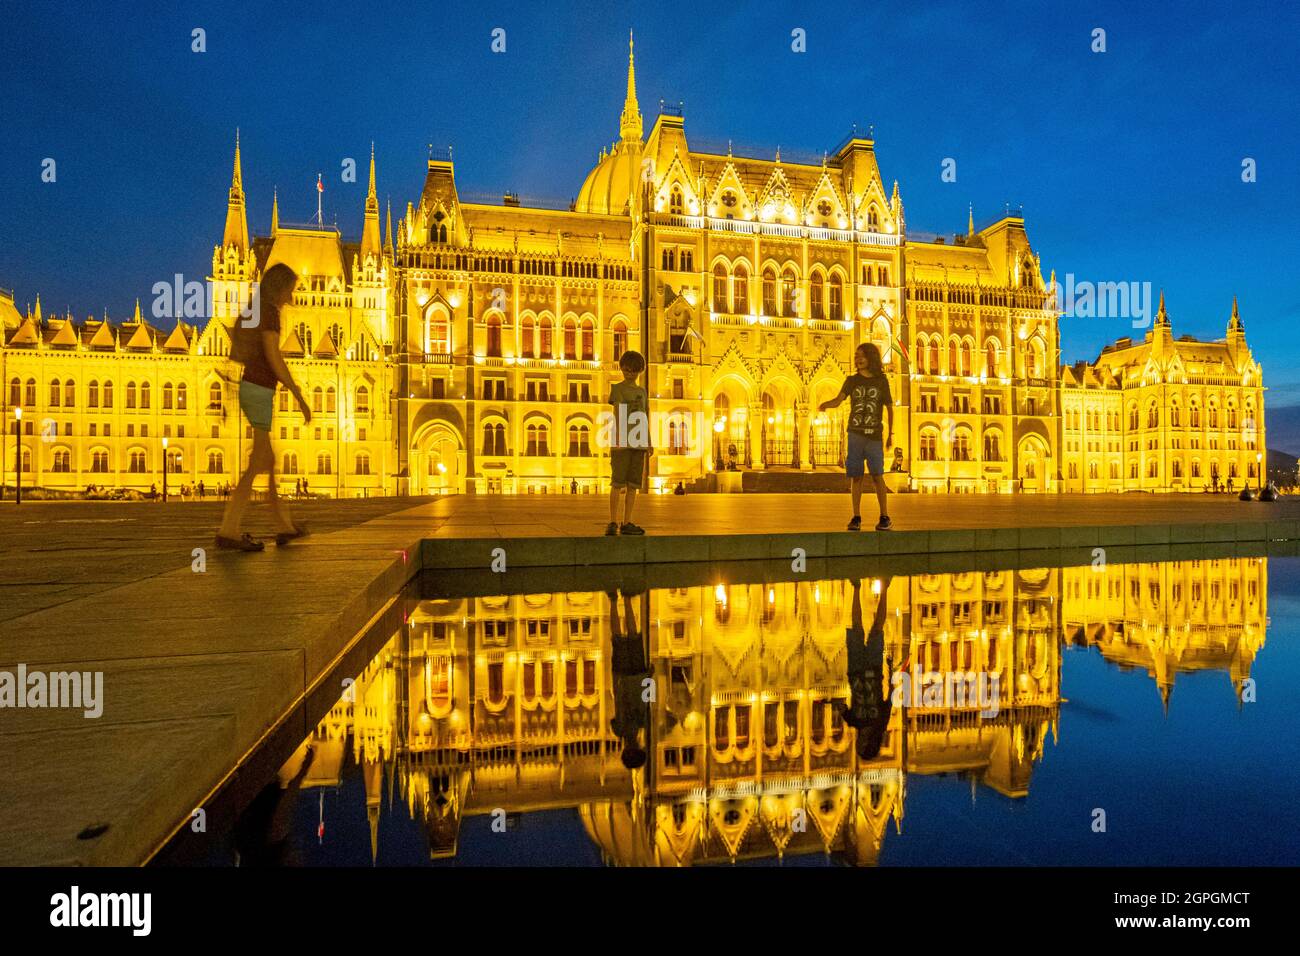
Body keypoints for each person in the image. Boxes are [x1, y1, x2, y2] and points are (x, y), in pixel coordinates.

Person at [216, 263, 311, 551]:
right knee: (258, 462)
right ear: (279, 288)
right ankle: (228, 530)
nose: (291, 296)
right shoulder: (269, 313)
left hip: (252, 389)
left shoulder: (254, 310)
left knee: (267, 461)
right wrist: (298, 394)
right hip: (259, 390)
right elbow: (273, 356)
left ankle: (283, 526)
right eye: (290, 290)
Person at [819, 342, 893, 531]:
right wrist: (825, 404)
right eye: (855, 356)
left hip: (874, 435)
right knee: (856, 477)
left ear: (871, 357)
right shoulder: (851, 381)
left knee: (878, 475)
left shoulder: (881, 381)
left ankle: (884, 516)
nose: (857, 359)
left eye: (861, 355)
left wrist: (890, 434)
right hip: (855, 434)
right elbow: (839, 399)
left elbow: (889, 408)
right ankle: (856, 516)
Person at [836, 577, 894, 761]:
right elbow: (890, 697)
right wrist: (891, 669)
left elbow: (841, 706)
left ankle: (856, 587)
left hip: (855, 670)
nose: (858, 743)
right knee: (877, 628)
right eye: (861, 746)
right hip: (874, 669)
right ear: (870, 743)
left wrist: (836, 705)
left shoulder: (854, 722)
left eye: (858, 746)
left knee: (856, 626)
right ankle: (885, 589)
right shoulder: (881, 723)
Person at [605, 349, 650, 536]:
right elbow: (618, 414)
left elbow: (646, 416)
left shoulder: (642, 391)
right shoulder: (617, 389)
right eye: (627, 369)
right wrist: (617, 440)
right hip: (622, 443)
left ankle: (627, 521)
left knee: (633, 485)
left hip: (638, 443)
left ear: (640, 371)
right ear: (622, 369)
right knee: (617, 483)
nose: (630, 373)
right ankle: (612, 521)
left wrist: (649, 441)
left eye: (634, 370)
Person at [607, 587, 650, 770]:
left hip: (624, 678)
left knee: (619, 639)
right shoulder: (642, 723)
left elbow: (622, 702)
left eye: (629, 750)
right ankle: (624, 599)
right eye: (635, 749)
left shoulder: (620, 730)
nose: (632, 746)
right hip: (637, 676)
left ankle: (615, 601)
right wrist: (651, 677)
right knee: (634, 637)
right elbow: (649, 700)